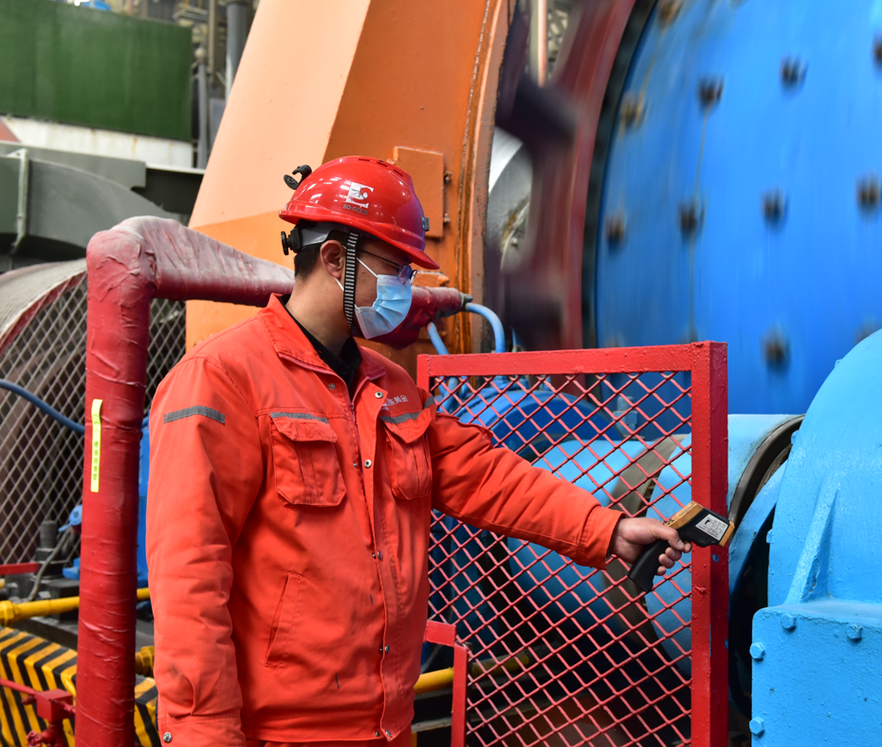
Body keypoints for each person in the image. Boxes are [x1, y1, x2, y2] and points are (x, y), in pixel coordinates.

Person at [145, 156, 688, 747]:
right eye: (395, 268)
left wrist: (608, 529)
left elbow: (486, 478)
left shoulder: (392, 388)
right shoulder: (222, 380)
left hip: (387, 727)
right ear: (335, 259)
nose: (405, 287)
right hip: (282, 734)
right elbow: (191, 576)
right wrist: (205, 735)